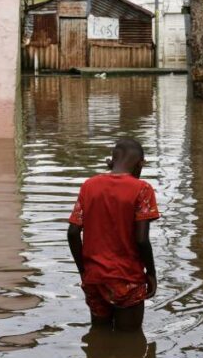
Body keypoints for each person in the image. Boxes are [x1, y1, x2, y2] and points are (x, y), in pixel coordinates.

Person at [66, 138, 159, 330]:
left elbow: (73, 233)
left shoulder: (89, 186)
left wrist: (84, 271)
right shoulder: (142, 189)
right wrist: (151, 273)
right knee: (129, 340)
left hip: (94, 279)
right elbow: (142, 240)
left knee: (99, 335)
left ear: (112, 160)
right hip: (127, 280)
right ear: (140, 164)